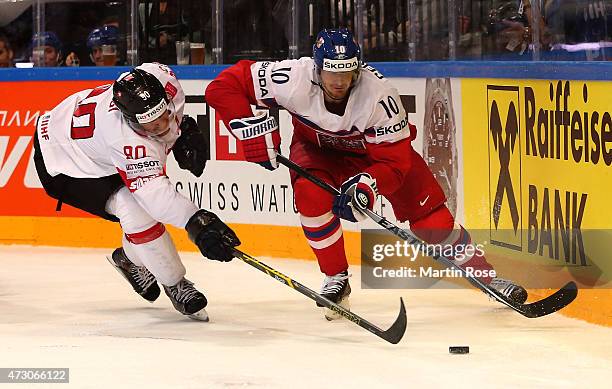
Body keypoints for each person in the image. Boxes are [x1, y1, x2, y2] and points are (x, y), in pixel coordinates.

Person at [205, 28, 527, 320]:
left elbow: (395, 164)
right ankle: (336, 279)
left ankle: (486, 277)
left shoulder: (379, 96)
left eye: (347, 72)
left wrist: (368, 186)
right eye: (331, 72)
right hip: (317, 149)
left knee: (431, 219)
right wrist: (249, 129)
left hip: (375, 155)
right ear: (317, 67)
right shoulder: (291, 78)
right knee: (310, 196)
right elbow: (224, 86)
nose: (339, 82)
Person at [34, 62, 240, 320]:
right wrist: (199, 224)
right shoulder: (125, 139)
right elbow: (157, 198)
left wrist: (182, 128)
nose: (161, 126)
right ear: (130, 120)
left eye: (163, 115)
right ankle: (175, 283)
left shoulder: (164, 80)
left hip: (91, 142)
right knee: (136, 210)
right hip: (65, 159)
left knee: (138, 212)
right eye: (150, 125)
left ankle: (129, 259)